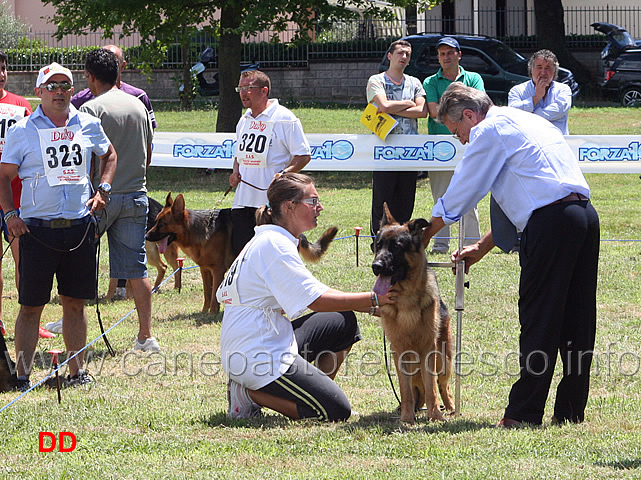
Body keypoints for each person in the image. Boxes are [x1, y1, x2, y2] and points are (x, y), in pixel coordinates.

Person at [424, 83, 599, 427]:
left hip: (552, 225)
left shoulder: (488, 131)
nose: (460, 139)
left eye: (456, 129)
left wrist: (421, 235)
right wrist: (482, 246)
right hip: (584, 218)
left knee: (540, 318)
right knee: (578, 319)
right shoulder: (524, 121)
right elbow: (530, 194)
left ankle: (523, 413)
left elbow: (463, 191)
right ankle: (570, 411)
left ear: (470, 116)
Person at [216, 173, 395, 420]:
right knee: (336, 412)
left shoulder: (273, 239)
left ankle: (311, 389)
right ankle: (247, 394)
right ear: (289, 207)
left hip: (264, 340)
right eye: (312, 201)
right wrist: (374, 300)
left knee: (343, 321)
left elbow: (317, 292)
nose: (319, 207)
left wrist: (368, 302)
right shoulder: (274, 245)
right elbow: (316, 302)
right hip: (257, 355)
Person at [0, 62, 117, 391]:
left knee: (75, 303)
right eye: (52, 86)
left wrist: (103, 189)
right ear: (38, 92)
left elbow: (109, 155)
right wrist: (10, 214)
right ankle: (21, 376)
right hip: (37, 230)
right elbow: (4, 176)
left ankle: (77, 371)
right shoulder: (22, 130)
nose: (60, 92)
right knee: (31, 306)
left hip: (79, 227)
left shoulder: (88, 123)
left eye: (66, 85)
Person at [78, 48, 158, 352]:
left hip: (99, 197)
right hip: (136, 194)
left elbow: (87, 159)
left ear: (91, 77)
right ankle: (145, 335)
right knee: (137, 269)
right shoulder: (139, 105)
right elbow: (149, 154)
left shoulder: (90, 109)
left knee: (81, 265)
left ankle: (74, 321)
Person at [229, 70, 311, 257]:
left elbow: (303, 155)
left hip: (271, 204)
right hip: (243, 202)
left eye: (248, 88)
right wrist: (235, 172)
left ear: (264, 90)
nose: (243, 93)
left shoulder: (285, 118)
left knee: (273, 255)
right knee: (243, 254)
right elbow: (239, 153)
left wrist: (284, 174)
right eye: (240, 88)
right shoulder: (244, 120)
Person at [422, 36, 483, 254]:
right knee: (440, 196)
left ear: (459, 55)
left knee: (469, 194)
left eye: (450, 53)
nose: (446, 57)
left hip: (468, 144)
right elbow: (433, 112)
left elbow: (477, 107)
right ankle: (440, 245)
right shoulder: (430, 82)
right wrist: (459, 108)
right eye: (442, 54)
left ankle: (472, 242)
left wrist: (447, 108)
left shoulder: (474, 78)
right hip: (439, 147)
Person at [366, 40, 426, 240]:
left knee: (406, 200)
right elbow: (382, 106)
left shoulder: (414, 82)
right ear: (390, 56)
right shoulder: (376, 80)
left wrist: (394, 107)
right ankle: (379, 241)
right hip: (384, 150)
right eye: (400, 53)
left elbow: (422, 111)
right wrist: (407, 103)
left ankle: (400, 239)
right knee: (382, 200)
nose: (404, 57)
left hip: (409, 152)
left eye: (407, 54)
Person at [0, 49, 33, 337]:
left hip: (18, 198)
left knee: (25, 261)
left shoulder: (21, 105)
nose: (0, 73)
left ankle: (29, 317)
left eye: (3, 68)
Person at [71, 44, 157, 129]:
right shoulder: (81, 100)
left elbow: (148, 136)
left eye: (113, 61)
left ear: (122, 66)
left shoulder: (139, 97)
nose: (107, 65)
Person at [508, 49, 572, 135]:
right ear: (531, 69)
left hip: (557, 142)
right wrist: (536, 97)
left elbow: (558, 110)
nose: (543, 72)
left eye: (547, 68)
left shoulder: (563, 90)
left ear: (554, 71)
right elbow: (513, 113)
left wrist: (528, 116)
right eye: (539, 67)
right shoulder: (517, 91)